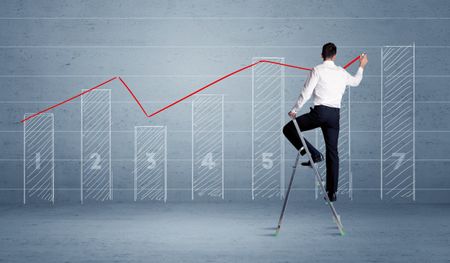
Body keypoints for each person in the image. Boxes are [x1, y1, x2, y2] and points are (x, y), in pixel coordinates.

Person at [283, 42, 368, 202]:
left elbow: (306, 92)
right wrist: (361, 65)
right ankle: (332, 192)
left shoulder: (317, 70)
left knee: (288, 129)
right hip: (334, 116)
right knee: (333, 152)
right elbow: (356, 81)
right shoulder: (341, 72)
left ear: (322, 55)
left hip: (320, 113)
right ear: (334, 56)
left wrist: (295, 109)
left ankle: (313, 154)